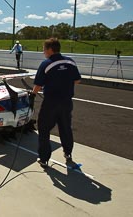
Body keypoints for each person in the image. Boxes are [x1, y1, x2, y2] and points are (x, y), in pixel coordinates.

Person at [31, 38, 81, 168]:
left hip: (51, 102)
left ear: (50, 49)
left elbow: (38, 85)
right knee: (65, 127)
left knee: (44, 129)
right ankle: (68, 153)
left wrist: (32, 96)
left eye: (44, 49)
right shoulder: (70, 62)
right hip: (66, 102)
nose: (43, 52)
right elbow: (77, 80)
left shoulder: (46, 64)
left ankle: (44, 158)